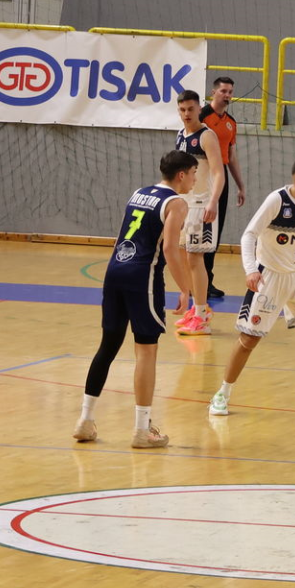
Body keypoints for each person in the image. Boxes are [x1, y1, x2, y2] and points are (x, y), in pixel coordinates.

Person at [75, 149, 197, 448]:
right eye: (194, 174)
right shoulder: (177, 203)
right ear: (181, 175)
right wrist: (185, 289)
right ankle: (143, 430)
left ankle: (85, 420)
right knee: (146, 350)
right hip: (143, 276)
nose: (195, 180)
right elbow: (170, 249)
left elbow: (120, 238)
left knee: (108, 346)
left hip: (115, 270)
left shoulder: (139, 193)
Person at [211, 155, 295, 420]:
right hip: (270, 278)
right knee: (249, 339)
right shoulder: (277, 200)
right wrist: (251, 269)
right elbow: (249, 235)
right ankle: (222, 394)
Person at [172, 90, 225, 335]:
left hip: (201, 205)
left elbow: (218, 172)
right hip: (184, 203)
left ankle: (202, 316)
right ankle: (196, 309)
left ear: (199, 108)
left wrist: (213, 202)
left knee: (195, 259)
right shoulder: (180, 135)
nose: (186, 114)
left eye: (190, 109)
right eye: (182, 110)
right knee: (183, 257)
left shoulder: (207, 136)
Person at [198, 76, 247, 302]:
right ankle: (195, 280)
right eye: (223, 91)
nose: (227, 95)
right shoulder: (201, 116)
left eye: (230, 92)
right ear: (213, 92)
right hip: (202, 174)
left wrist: (240, 185)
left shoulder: (231, 122)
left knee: (214, 232)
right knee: (198, 229)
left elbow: (231, 156)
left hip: (221, 176)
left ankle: (206, 281)